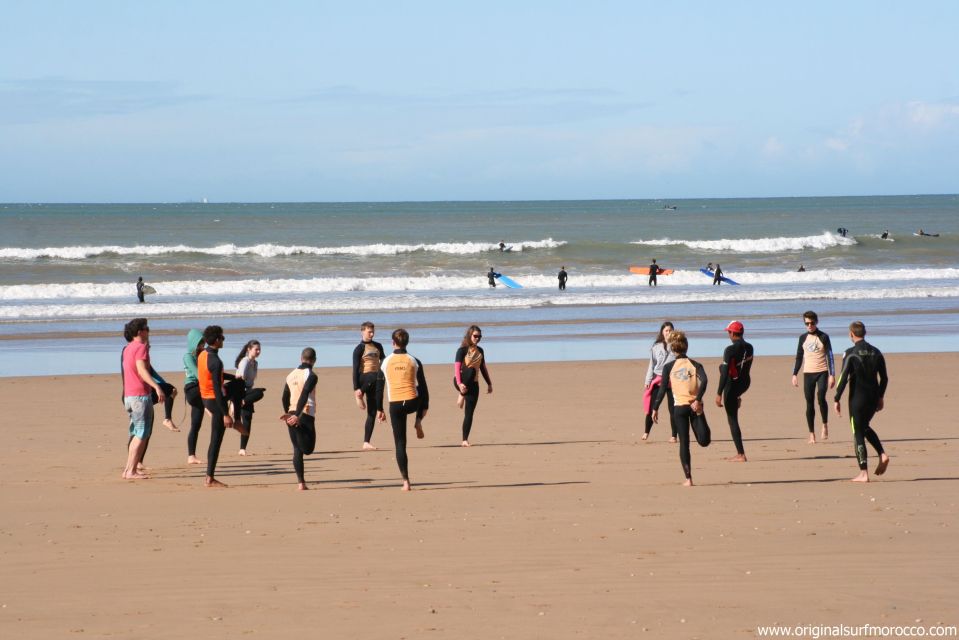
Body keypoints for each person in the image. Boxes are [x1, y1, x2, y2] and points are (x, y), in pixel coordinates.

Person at [834, 321, 890, 482]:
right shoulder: (877, 352)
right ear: (865, 332)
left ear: (851, 334)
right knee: (864, 426)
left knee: (857, 432)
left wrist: (836, 398)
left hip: (857, 399)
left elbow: (843, 378)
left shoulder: (850, 353)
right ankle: (882, 454)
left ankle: (863, 473)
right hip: (873, 398)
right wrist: (880, 396)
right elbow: (884, 378)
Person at [651, 331, 708, 486]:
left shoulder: (669, 367)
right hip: (693, 407)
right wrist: (697, 400)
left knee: (685, 443)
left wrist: (655, 408)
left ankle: (688, 479)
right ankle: (688, 478)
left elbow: (662, 390)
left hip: (680, 409)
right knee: (704, 441)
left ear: (673, 349)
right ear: (686, 347)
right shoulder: (695, 365)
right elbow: (705, 381)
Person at [378, 328, 430, 491]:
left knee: (400, 444)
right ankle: (418, 421)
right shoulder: (414, 361)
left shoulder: (385, 362)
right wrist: (424, 406)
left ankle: (406, 482)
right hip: (413, 403)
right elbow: (424, 389)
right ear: (407, 342)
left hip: (395, 404)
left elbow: (380, 388)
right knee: (421, 393)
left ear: (393, 342)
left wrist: (380, 409)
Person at [198, 325, 243, 488]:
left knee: (239, 384)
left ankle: (237, 419)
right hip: (215, 400)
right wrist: (225, 413)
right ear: (217, 340)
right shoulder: (216, 361)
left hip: (205, 397)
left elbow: (214, 376)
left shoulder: (203, 354)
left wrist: (234, 377)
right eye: (222, 338)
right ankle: (209, 478)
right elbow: (217, 389)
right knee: (216, 439)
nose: (224, 340)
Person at [120, 318, 164, 479]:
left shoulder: (128, 348)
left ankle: (129, 468)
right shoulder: (139, 348)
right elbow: (142, 371)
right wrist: (157, 386)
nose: (149, 331)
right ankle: (130, 470)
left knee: (137, 432)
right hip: (139, 397)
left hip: (129, 396)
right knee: (141, 434)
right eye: (147, 328)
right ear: (140, 332)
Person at [791, 311, 834, 443]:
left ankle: (825, 424)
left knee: (821, 397)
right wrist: (794, 374)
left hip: (822, 371)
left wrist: (832, 375)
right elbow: (798, 357)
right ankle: (812, 434)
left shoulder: (824, 337)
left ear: (816, 322)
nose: (809, 325)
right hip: (808, 373)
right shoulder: (802, 338)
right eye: (807, 323)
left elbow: (830, 356)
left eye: (812, 323)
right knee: (809, 403)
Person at [281, 348, 319, 490]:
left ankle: (301, 483)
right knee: (308, 449)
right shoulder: (312, 375)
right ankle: (301, 483)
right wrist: (297, 415)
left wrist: (288, 413)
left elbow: (284, 397)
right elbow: (304, 394)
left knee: (297, 449)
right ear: (314, 360)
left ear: (300, 358)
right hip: (305, 413)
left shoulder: (290, 375)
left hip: (291, 412)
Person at [715, 320, 753, 462]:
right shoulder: (750, 347)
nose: (728, 335)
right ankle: (737, 397)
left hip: (732, 386)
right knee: (722, 367)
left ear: (732, 333)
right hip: (745, 383)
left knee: (732, 420)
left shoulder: (729, 350)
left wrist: (719, 393)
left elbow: (725, 374)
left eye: (728, 332)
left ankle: (740, 454)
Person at [453, 325, 493, 447]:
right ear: (470, 336)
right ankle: (461, 394)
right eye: (475, 336)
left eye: (479, 336)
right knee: (471, 371)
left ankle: (464, 440)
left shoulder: (480, 351)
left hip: (473, 385)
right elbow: (456, 368)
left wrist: (489, 383)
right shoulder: (462, 350)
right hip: (460, 381)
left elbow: (483, 368)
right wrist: (460, 385)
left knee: (469, 413)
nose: (478, 338)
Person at [352, 321, 386, 450]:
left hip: (375, 381)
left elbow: (383, 360)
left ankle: (366, 442)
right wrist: (356, 388)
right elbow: (355, 369)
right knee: (375, 375)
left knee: (371, 413)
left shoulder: (378, 346)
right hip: (364, 379)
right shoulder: (359, 349)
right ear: (362, 332)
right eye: (369, 331)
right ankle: (360, 394)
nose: (371, 334)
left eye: (373, 332)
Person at [642, 321, 677, 442]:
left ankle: (674, 435)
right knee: (652, 407)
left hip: (672, 380)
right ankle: (646, 432)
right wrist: (648, 380)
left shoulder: (677, 346)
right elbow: (651, 365)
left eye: (670, 330)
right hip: (658, 379)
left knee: (673, 409)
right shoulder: (656, 347)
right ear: (662, 332)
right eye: (666, 330)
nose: (668, 332)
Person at [235, 339, 266, 456]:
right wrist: (239, 397)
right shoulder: (245, 361)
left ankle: (242, 449)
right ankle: (238, 402)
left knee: (247, 420)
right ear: (249, 349)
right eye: (256, 349)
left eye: (259, 350)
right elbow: (240, 378)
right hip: (240, 390)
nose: (258, 351)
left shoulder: (255, 363)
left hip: (247, 393)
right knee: (260, 393)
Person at [182, 329, 206, 465]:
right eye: (199, 343)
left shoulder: (202, 355)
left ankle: (191, 456)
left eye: (203, 343)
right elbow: (199, 375)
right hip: (192, 388)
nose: (202, 346)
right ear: (193, 343)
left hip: (201, 388)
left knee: (196, 424)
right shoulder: (188, 356)